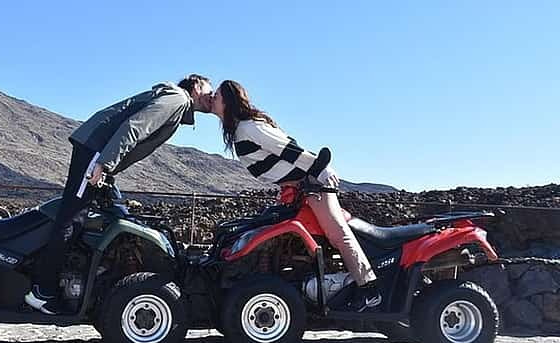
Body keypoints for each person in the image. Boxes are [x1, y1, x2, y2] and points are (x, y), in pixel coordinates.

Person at [26, 74, 214, 315]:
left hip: (99, 153)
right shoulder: (177, 99)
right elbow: (135, 126)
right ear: (196, 87)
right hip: (97, 152)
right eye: (209, 91)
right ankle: (43, 291)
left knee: (94, 213)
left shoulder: (177, 104)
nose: (211, 96)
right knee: (72, 217)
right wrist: (104, 163)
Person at [211, 80, 381, 312]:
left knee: (337, 233)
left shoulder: (249, 127)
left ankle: (369, 290)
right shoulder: (239, 128)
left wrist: (319, 169)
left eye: (217, 95)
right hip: (297, 190)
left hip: (312, 184)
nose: (213, 98)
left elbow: (287, 148)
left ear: (229, 101)